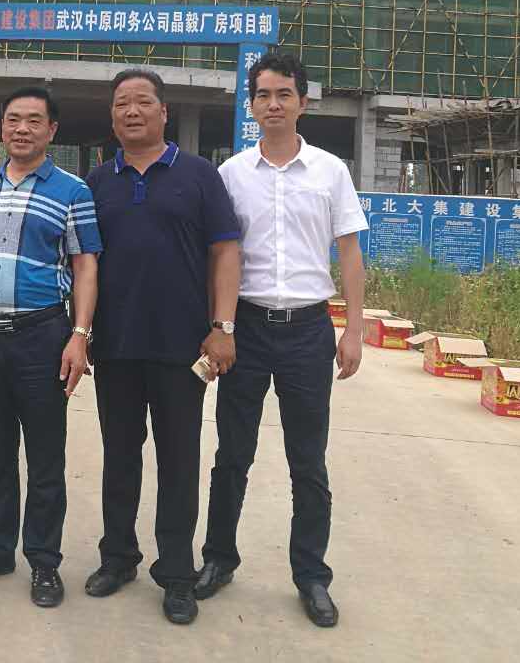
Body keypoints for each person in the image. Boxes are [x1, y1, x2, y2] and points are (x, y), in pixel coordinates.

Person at [195, 53, 367, 628]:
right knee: (232, 456)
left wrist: (353, 330)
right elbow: (219, 256)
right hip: (245, 329)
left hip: (309, 331)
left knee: (307, 461)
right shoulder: (231, 174)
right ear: (251, 104)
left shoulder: (330, 172)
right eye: (264, 95)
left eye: (284, 94)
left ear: (302, 102)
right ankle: (218, 559)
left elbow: (349, 252)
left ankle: (311, 576)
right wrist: (217, 327)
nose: (274, 104)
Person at [83, 69, 241, 625]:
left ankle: (176, 573)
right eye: (122, 103)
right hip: (116, 345)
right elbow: (83, 264)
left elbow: (225, 251)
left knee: (179, 462)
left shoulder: (199, 175)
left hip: (181, 348)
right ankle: (118, 557)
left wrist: (223, 325)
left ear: (164, 112)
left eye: (143, 102)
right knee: (119, 457)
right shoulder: (97, 181)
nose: (132, 111)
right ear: (112, 116)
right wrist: (82, 332)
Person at [0, 86, 101, 609]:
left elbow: (85, 266)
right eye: (12, 119)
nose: (21, 129)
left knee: (46, 456)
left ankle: (44, 561)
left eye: (33, 120)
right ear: (2, 127)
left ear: (52, 130)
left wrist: (80, 334)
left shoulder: (73, 191)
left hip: (42, 336)